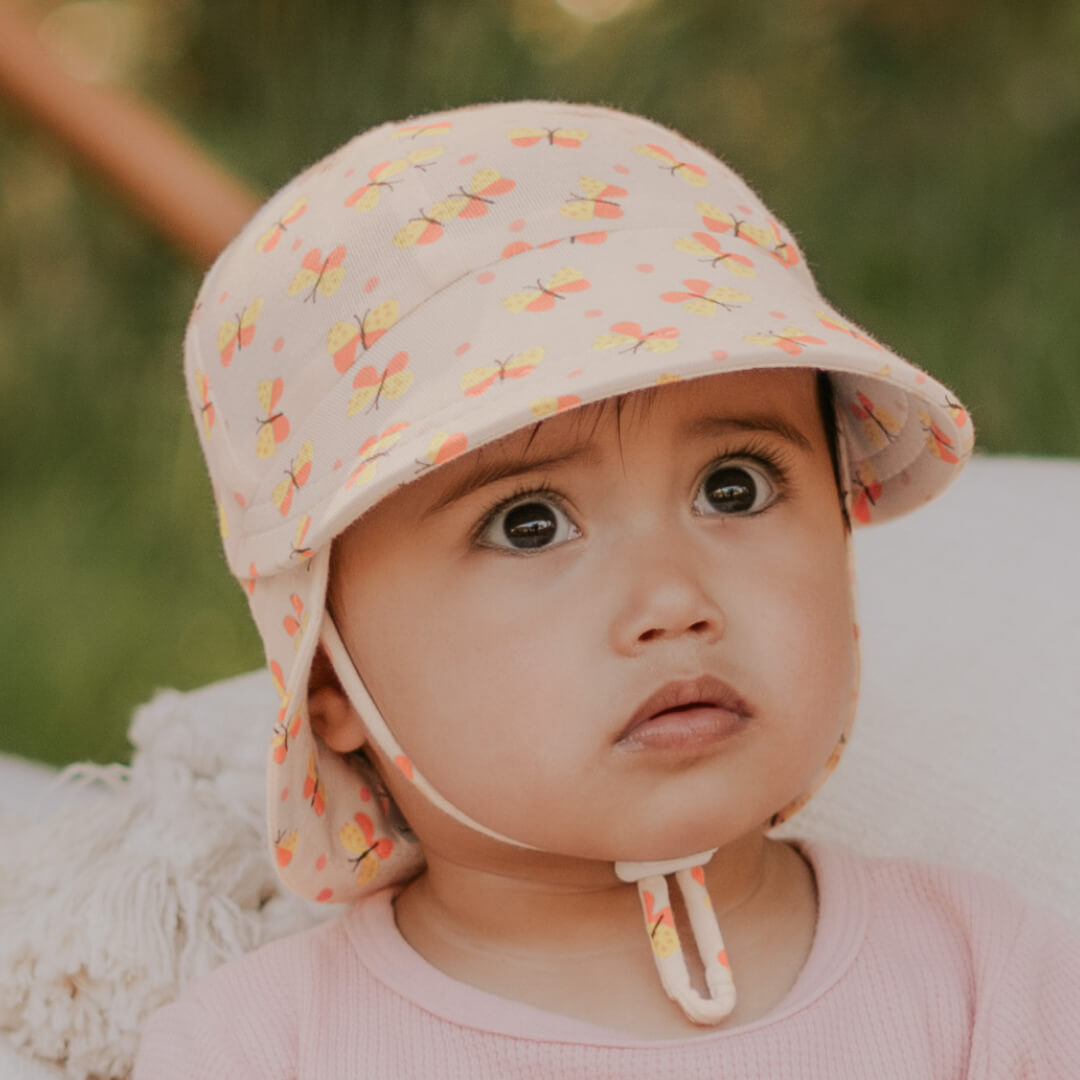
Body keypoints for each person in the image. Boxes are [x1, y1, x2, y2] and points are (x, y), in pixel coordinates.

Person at [134, 100, 1079, 1076]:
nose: (674, 600)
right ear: (324, 674)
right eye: (528, 524)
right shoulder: (267, 1047)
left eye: (735, 486)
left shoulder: (990, 982)